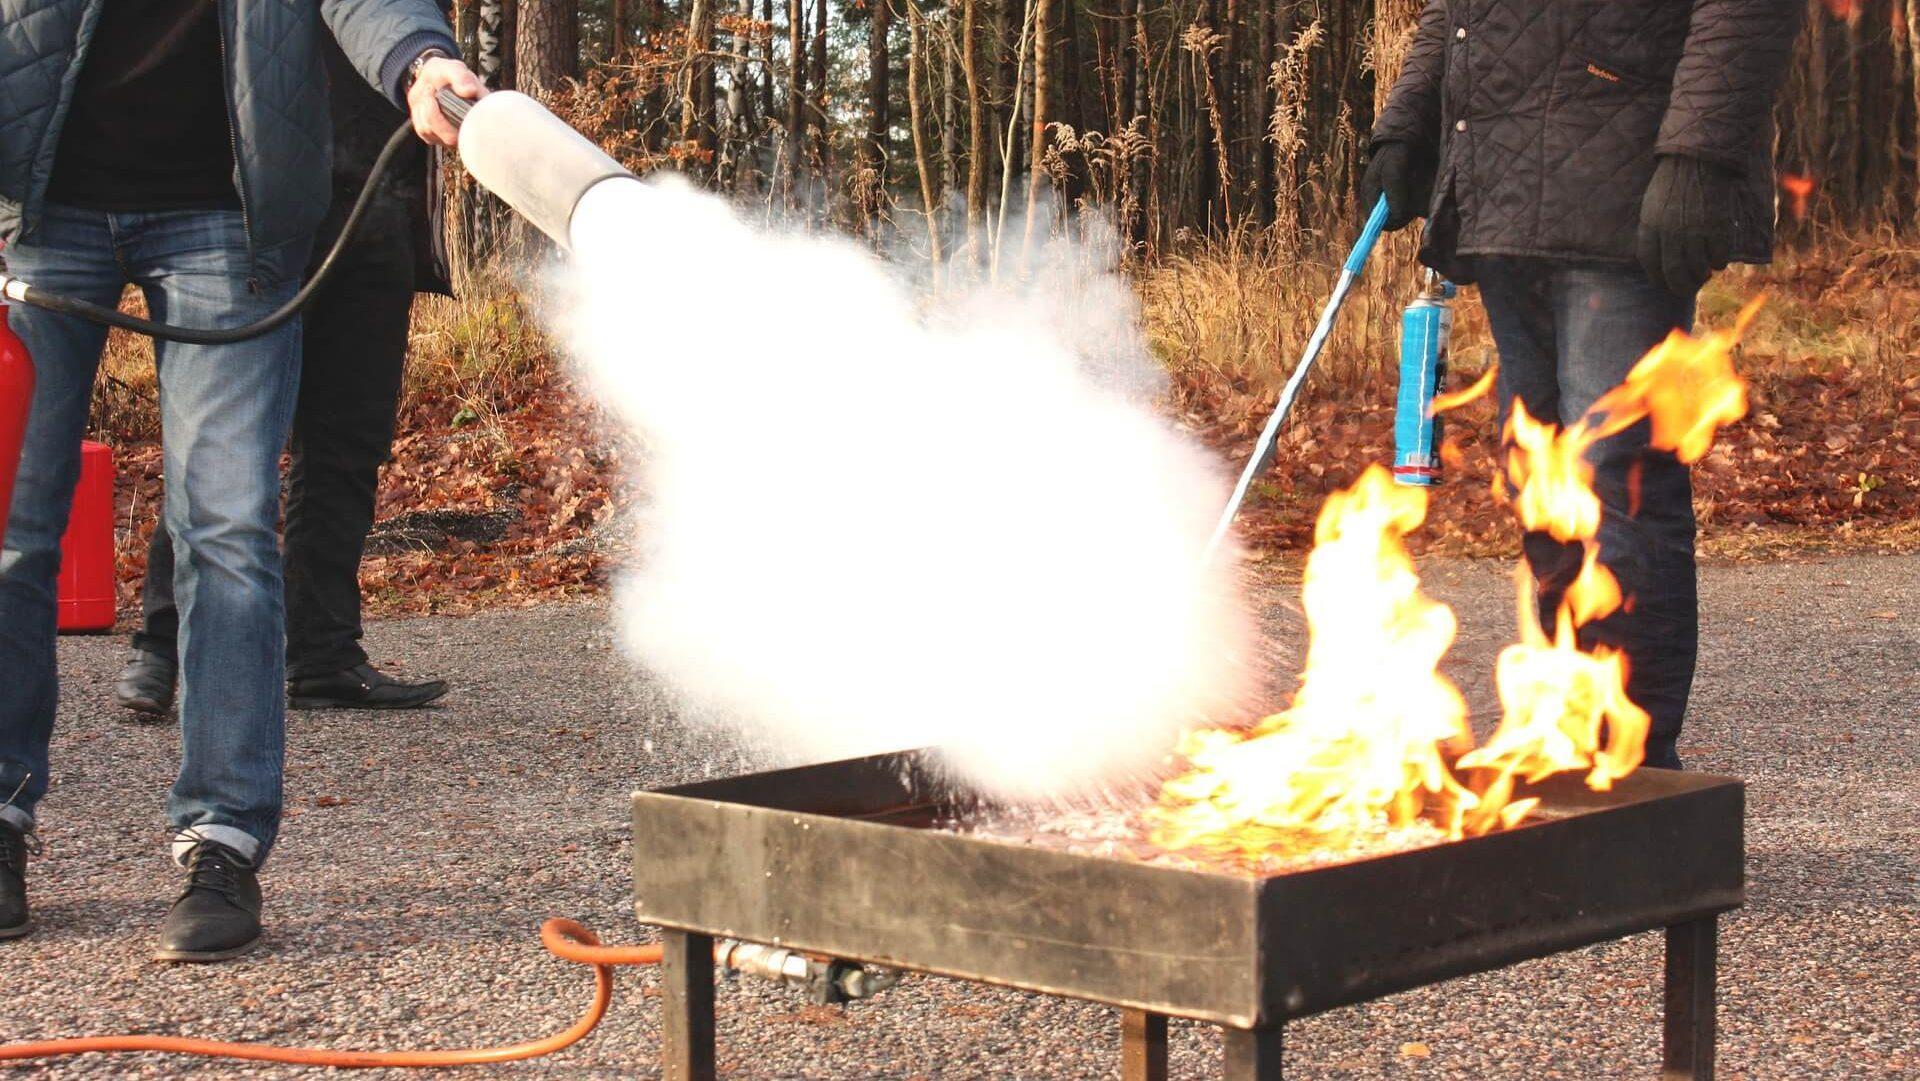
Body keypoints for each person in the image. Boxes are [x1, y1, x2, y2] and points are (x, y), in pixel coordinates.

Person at [0, 0, 484, 960]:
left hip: (229, 214)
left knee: (225, 527)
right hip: (39, 206)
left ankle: (221, 840)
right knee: (13, 526)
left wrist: (422, 62)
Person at [1361, 1, 1802, 770]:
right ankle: (1570, 740)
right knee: (1544, 487)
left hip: (1623, 192)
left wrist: (1697, 154)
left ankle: (1633, 774)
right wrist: (1409, 126)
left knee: (1615, 486)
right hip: (1498, 195)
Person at [113, 30, 455, 719]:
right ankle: (161, 647)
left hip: (377, 214)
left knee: (347, 449)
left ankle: (324, 656)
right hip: (256, 222)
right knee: (221, 438)